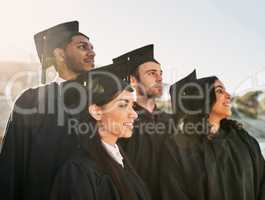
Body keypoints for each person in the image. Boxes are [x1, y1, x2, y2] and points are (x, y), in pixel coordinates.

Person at [0, 21, 95, 200]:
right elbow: (11, 165)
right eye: (82, 47)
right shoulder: (31, 101)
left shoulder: (101, 102)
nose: (92, 52)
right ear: (59, 54)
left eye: (91, 47)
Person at [160, 70, 265, 200]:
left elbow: (264, 187)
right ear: (203, 99)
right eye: (220, 91)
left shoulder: (244, 139)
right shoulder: (177, 147)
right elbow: (174, 193)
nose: (228, 95)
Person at [50, 67, 151, 200]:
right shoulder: (80, 171)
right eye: (123, 105)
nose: (134, 114)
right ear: (96, 112)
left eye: (132, 106)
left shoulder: (121, 159)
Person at [113, 44, 174, 199]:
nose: (160, 78)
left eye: (160, 73)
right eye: (152, 73)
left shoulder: (171, 121)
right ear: (133, 80)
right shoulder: (123, 119)